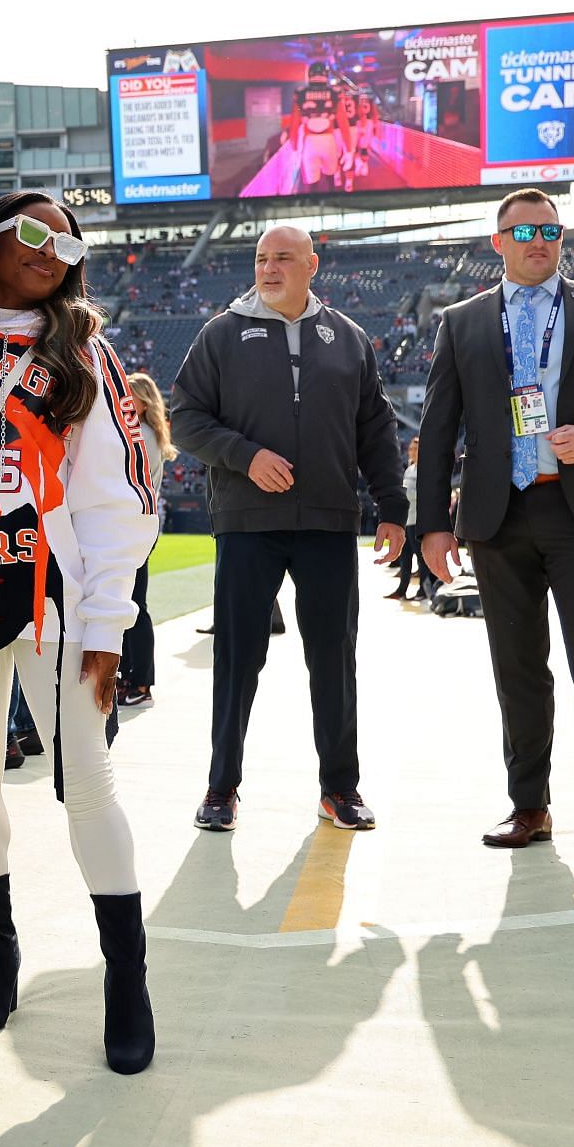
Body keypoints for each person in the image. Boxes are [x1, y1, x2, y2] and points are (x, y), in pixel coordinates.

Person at [0, 192, 159, 1073]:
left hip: (53, 594)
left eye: (67, 238)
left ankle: (126, 980)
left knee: (87, 782)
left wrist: (107, 625)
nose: (52, 249)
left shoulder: (83, 347)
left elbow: (117, 498)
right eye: (32, 232)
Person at [417, 188, 574, 870]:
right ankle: (529, 806)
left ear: (562, 239)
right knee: (519, 670)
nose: (538, 241)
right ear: (497, 241)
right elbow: (439, 431)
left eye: (550, 231)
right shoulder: (463, 322)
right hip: (500, 518)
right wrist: (432, 527)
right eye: (523, 230)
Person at [170, 224, 407, 835]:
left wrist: (392, 506)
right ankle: (221, 787)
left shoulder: (348, 339)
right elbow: (185, 418)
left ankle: (340, 788)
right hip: (249, 522)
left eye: (282, 259)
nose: (269, 268)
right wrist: (245, 455)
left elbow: (375, 428)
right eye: (260, 259)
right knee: (237, 658)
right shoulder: (221, 333)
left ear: (311, 265)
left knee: (334, 659)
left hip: (328, 522)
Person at [118, 371, 175, 707]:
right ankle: (132, 678)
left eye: (129, 393)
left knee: (135, 606)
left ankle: (140, 683)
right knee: (130, 604)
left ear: (143, 399)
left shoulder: (143, 435)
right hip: (138, 524)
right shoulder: (148, 432)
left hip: (135, 525)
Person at [388, 437, 439, 602]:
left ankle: (423, 590)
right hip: (407, 519)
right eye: (410, 449)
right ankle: (402, 589)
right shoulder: (409, 470)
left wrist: (407, 495)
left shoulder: (425, 471)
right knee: (405, 557)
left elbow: (427, 495)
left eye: (415, 449)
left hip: (418, 520)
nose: (412, 451)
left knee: (421, 557)